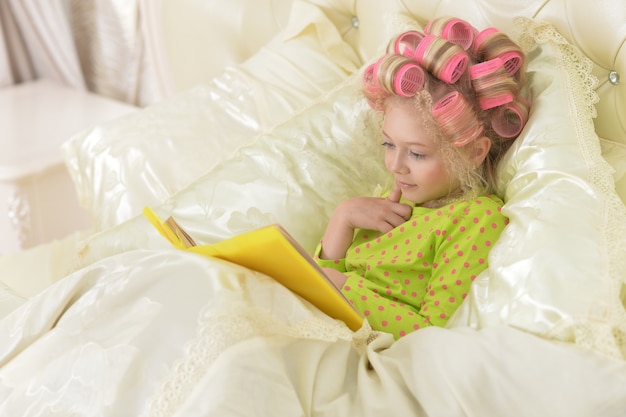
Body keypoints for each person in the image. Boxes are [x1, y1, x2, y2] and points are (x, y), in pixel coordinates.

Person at [314, 17, 531, 339]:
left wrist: (346, 289)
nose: (396, 165)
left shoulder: (475, 219)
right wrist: (342, 220)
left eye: (416, 153)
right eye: (389, 144)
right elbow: (320, 280)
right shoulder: (396, 196)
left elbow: (434, 332)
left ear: (474, 152)